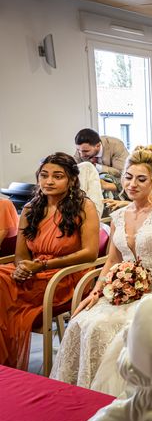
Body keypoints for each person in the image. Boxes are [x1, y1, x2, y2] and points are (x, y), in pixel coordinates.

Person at [51, 146, 152, 390]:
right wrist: (96, 292)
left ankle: (110, 398)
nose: (132, 184)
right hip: (122, 289)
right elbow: (113, 261)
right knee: (80, 322)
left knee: (106, 329)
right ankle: (76, 393)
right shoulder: (118, 216)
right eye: (128, 177)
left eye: (141, 179)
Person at [0, 153, 99, 369]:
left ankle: (6, 366)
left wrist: (42, 265)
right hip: (34, 271)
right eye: (44, 176)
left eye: (57, 176)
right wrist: (22, 268)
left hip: (66, 275)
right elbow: (21, 254)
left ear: (72, 179)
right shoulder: (30, 209)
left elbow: (90, 253)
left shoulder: (85, 207)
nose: (49, 181)